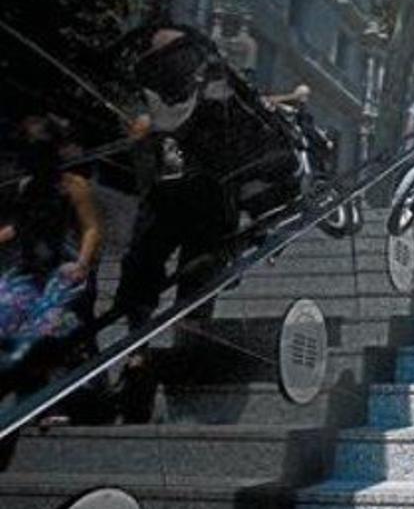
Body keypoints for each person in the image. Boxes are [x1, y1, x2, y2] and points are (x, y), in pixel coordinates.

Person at [113, 28, 239, 423]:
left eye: (167, 50)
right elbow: (141, 162)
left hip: (207, 196)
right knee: (140, 264)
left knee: (199, 273)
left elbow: (223, 132)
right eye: (157, 53)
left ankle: (190, 351)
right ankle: (138, 353)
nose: (160, 57)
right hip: (164, 196)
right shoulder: (149, 91)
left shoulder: (213, 79)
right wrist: (140, 141)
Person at [0, 116, 102, 423]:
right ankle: (32, 396)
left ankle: (61, 400)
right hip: (31, 268)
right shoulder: (25, 187)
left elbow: (92, 228)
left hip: (65, 266)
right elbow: (20, 228)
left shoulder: (73, 186)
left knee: (50, 325)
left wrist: (83, 263)